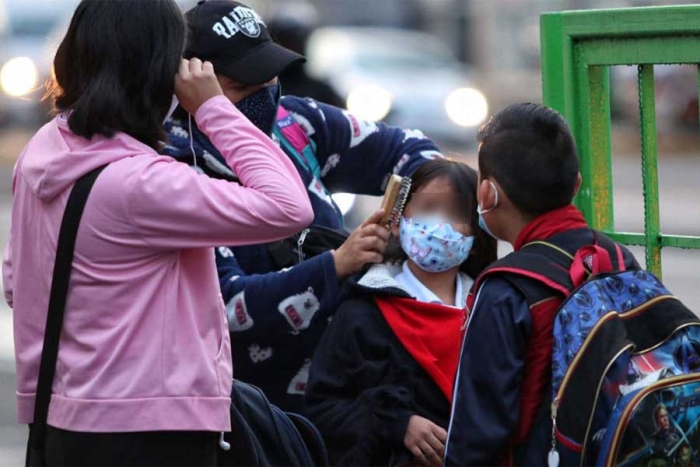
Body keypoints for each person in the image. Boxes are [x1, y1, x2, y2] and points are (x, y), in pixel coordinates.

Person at [2, 0, 313, 464]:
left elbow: (15, 282)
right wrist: (212, 107)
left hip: (61, 418)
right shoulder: (144, 184)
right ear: (159, 70)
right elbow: (289, 206)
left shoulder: (43, 153)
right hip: (153, 427)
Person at [162, 0, 445, 413]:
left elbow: (413, 152)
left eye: (269, 76)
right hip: (245, 415)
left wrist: (405, 216)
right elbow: (225, 305)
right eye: (244, 86)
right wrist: (335, 266)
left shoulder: (294, 122)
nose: (265, 94)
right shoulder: (172, 165)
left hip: (338, 401)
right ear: (192, 82)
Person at [444, 103, 640, 465]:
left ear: (487, 194)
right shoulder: (617, 258)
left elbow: (475, 433)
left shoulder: (505, 289)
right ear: (577, 183)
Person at [305, 159, 497, 466]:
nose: (438, 224)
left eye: (455, 213)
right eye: (428, 207)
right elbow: (324, 408)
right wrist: (396, 424)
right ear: (398, 221)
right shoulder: (363, 311)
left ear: (476, 236)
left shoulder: (492, 310)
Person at [267, 1, 345, 107]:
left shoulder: (321, 91)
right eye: (285, 42)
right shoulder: (263, 89)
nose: (290, 49)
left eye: (295, 43)